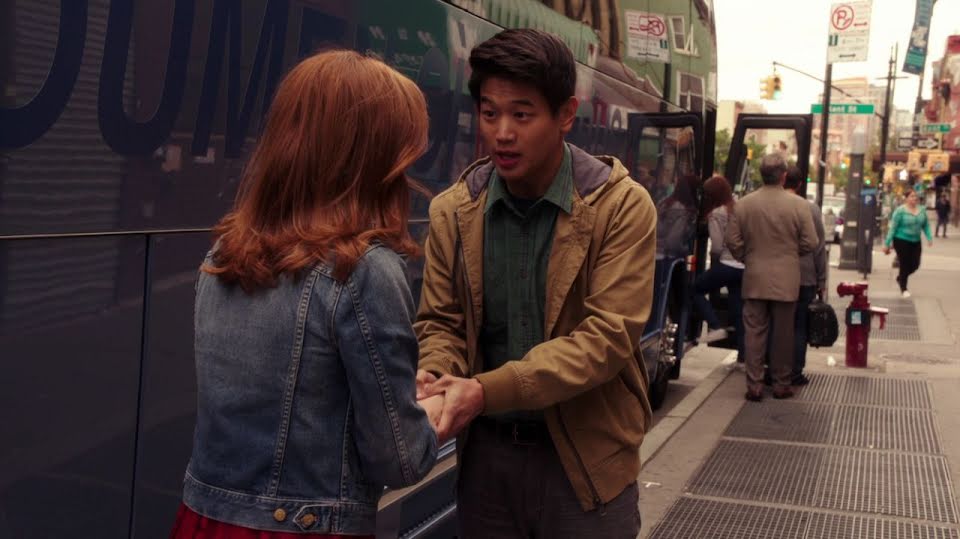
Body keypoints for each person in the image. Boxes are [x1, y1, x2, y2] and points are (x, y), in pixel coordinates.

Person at [170, 51, 442, 539]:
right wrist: (444, 409)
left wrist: (395, 389)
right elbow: (398, 458)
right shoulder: (364, 268)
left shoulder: (225, 251)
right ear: (374, 159)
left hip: (203, 519)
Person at [414, 29, 655, 538]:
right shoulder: (453, 211)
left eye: (521, 115)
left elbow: (606, 338)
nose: (501, 133)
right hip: (487, 466)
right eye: (489, 113)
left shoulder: (620, 207)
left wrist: (483, 391)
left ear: (566, 115)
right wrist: (436, 375)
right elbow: (441, 322)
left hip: (587, 465)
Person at [725, 153, 818, 402]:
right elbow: (811, 241)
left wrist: (748, 257)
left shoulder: (744, 204)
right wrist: (790, 254)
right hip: (787, 278)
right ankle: (781, 383)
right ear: (784, 176)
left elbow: (731, 240)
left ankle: (754, 385)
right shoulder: (799, 205)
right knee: (783, 334)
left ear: (761, 175)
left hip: (755, 276)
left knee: (754, 332)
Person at [692, 175, 744, 361]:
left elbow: (716, 246)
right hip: (742, 266)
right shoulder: (740, 208)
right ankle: (743, 356)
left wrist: (715, 261)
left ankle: (715, 326)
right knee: (738, 309)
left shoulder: (717, 214)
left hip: (726, 264)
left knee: (696, 289)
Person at [783, 166, 826, 386]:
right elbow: (818, 247)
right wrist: (822, 279)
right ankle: (795, 371)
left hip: (780, 275)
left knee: (779, 324)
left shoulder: (775, 206)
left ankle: (775, 370)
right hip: (806, 275)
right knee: (800, 326)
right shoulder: (811, 209)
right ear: (800, 184)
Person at [884, 189, 933, 298]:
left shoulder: (922, 210)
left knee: (915, 264)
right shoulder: (900, 211)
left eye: (915, 196)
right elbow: (893, 228)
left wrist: (929, 237)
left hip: (916, 241)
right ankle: (904, 288)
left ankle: (900, 278)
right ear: (906, 198)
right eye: (911, 196)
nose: (914, 198)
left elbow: (926, 225)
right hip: (901, 240)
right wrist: (887, 243)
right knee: (904, 264)